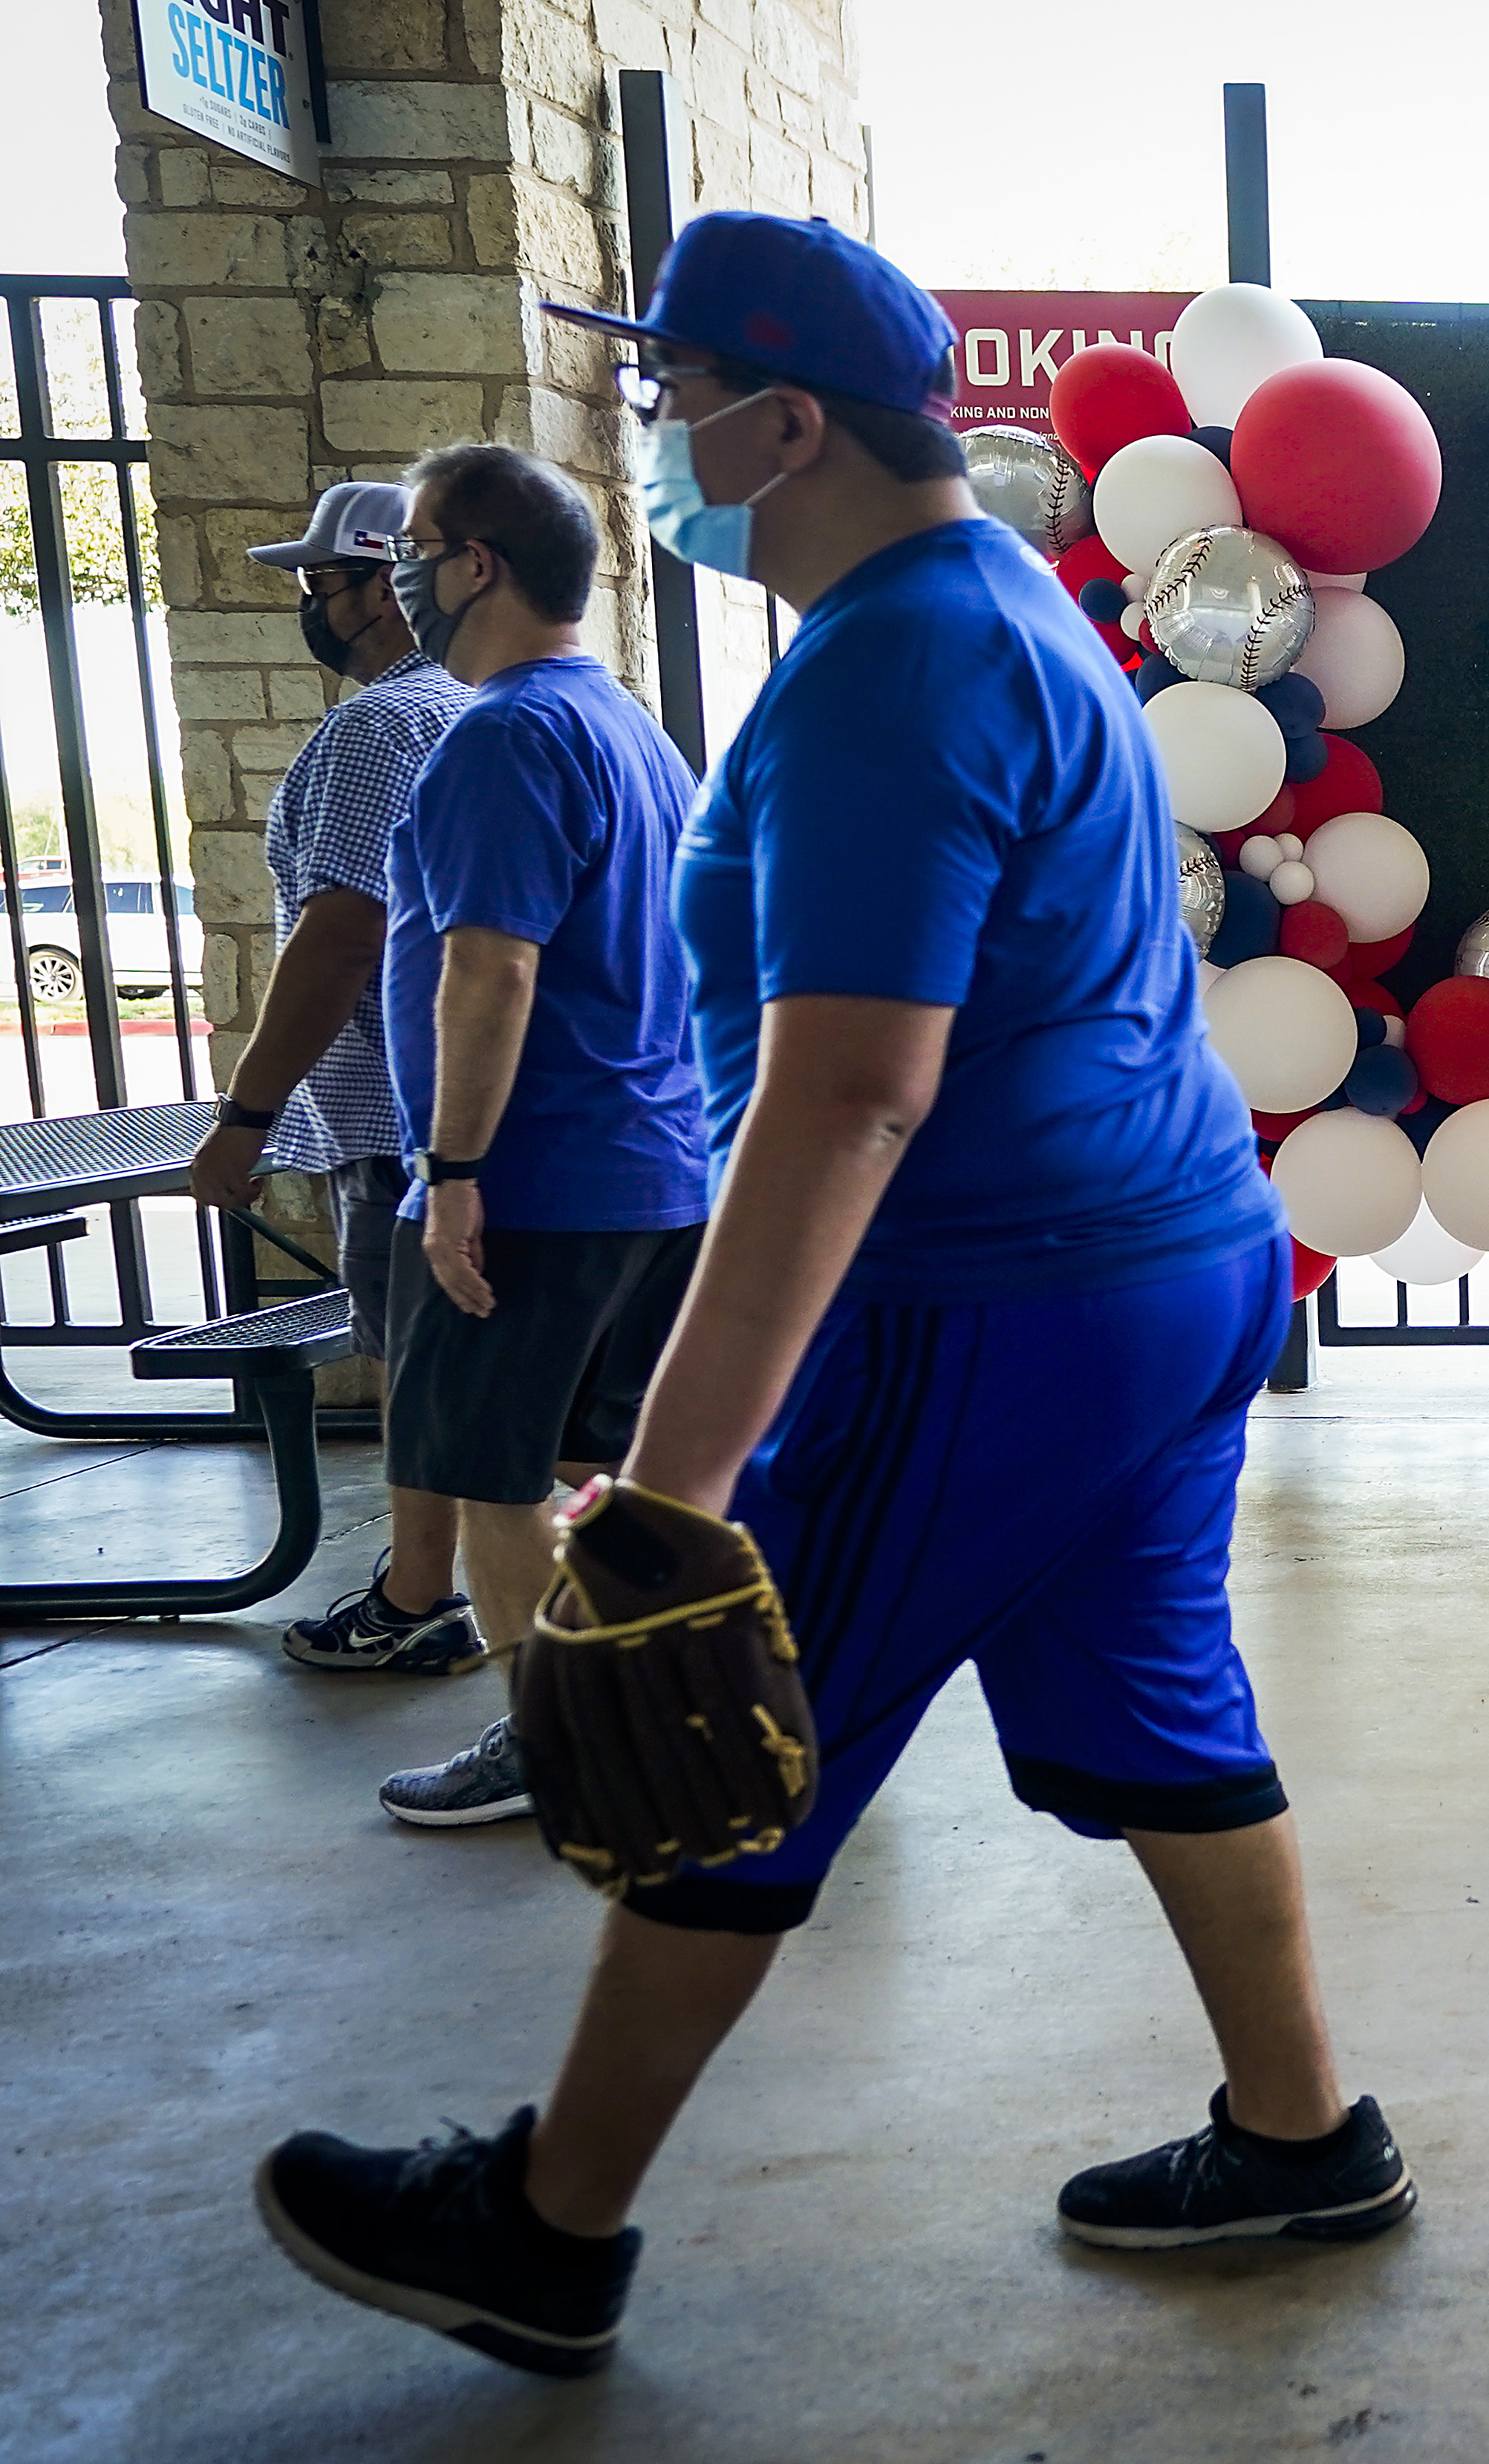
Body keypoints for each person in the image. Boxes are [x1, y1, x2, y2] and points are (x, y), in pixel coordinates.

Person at [255, 213, 1409, 2379]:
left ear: (788, 422)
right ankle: (1299, 2127)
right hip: (1157, 1274)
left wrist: (673, 1487)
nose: (653, 436)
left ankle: (544, 2221)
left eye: (675, 395)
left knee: (733, 1729)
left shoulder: (897, 659)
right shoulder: (988, 616)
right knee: (1153, 1709)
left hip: (995, 1301)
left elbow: (852, 1092)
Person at [367, 443, 711, 1829]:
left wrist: (452, 1177)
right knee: (601, 1468)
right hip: (644, 1168)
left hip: (533, 1181)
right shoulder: (624, 720)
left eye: (410, 548)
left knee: (484, 1470)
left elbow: (490, 969)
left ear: (476, 564)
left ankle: (547, 1743)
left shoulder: (503, 735)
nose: (398, 578)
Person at [195, 481, 478, 1672]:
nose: (310, 606)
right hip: (476, 1112)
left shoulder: (373, 734)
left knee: (436, 1381)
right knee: (489, 1379)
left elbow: (341, 934)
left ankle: (423, 1603)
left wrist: (245, 1116)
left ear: (383, 586)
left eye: (322, 583)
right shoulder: (488, 709)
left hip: (407, 1120)